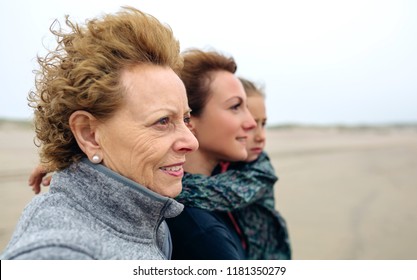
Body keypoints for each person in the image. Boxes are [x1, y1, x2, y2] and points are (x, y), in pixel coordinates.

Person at [0, 7, 198, 260]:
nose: (192, 141)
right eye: (162, 121)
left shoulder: (146, 203)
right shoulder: (60, 253)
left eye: (185, 118)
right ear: (89, 135)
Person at [174, 77, 291, 259]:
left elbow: (222, 193)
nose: (260, 135)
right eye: (250, 123)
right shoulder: (222, 163)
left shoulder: (260, 170)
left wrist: (169, 188)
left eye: (263, 124)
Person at [166, 49, 260, 259]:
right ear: (189, 120)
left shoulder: (221, 194)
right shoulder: (203, 234)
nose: (251, 123)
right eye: (235, 107)